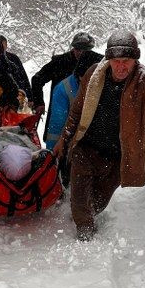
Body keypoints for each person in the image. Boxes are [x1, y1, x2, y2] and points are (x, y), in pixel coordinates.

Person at [53, 29, 145, 241]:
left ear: (135, 60)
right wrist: (63, 139)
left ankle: (87, 217)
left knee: (97, 203)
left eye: (126, 61)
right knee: (80, 203)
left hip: (118, 158)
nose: (121, 67)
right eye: (116, 61)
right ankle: (84, 242)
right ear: (108, 59)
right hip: (85, 149)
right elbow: (77, 111)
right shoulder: (93, 75)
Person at [31, 32, 103, 143]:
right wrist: (39, 102)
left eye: (85, 50)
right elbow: (37, 79)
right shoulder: (60, 62)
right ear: (73, 48)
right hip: (59, 112)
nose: (81, 53)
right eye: (78, 49)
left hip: (86, 116)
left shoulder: (99, 62)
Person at [46, 50, 101, 186]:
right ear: (79, 75)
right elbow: (56, 125)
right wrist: (53, 154)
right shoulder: (63, 89)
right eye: (84, 78)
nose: (88, 82)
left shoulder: (101, 84)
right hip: (69, 142)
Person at [0, 35, 32, 102]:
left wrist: (30, 97)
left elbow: (23, 77)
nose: (1, 48)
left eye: (3, 45)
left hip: (15, 94)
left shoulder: (13, 58)